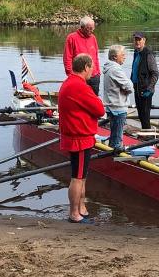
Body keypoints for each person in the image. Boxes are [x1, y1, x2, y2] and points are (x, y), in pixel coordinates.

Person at [58, 53, 105, 223]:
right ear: (85, 67)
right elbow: (100, 109)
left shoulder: (70, 82)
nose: (93, 70)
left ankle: (82, 208)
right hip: (79, 138)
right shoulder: (79, 86)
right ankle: (74, 213)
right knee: (77, 177)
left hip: (79, 136)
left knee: (82, 176)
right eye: (91, 67)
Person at [103, 45, 134, 149]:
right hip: (118, 108)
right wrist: (129, 83)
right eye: (123, 55)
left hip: (112, 106)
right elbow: (129, 87)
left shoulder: (109, 68)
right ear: (115, 57)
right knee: (117, 139)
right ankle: (114, 157)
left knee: (114, 135)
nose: (125, 57)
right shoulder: (116, 70)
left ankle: (112, 152)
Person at [63, 16, 101, 95]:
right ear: (82, 27)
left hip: (94, 76)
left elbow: (96, 56)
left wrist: (98, 72)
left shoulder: (93, 38)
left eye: (93, 28)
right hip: (80, 76)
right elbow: (67, 58)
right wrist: (70, 75)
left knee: (94, 99)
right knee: (80, 98)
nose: (92, 30)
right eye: (89, 28)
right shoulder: (72, 38)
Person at [130, 31, 159, 129]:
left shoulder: (148, 54)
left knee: (145, 117)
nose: (137, 42)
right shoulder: (136, 52)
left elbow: (155, 73)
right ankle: (144, 135)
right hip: (137, 89)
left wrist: (150, 89)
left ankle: (148, 138)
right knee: (141, 116)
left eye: (139, 39)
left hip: (145, 90)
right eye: (135, 39)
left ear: (144, 40)